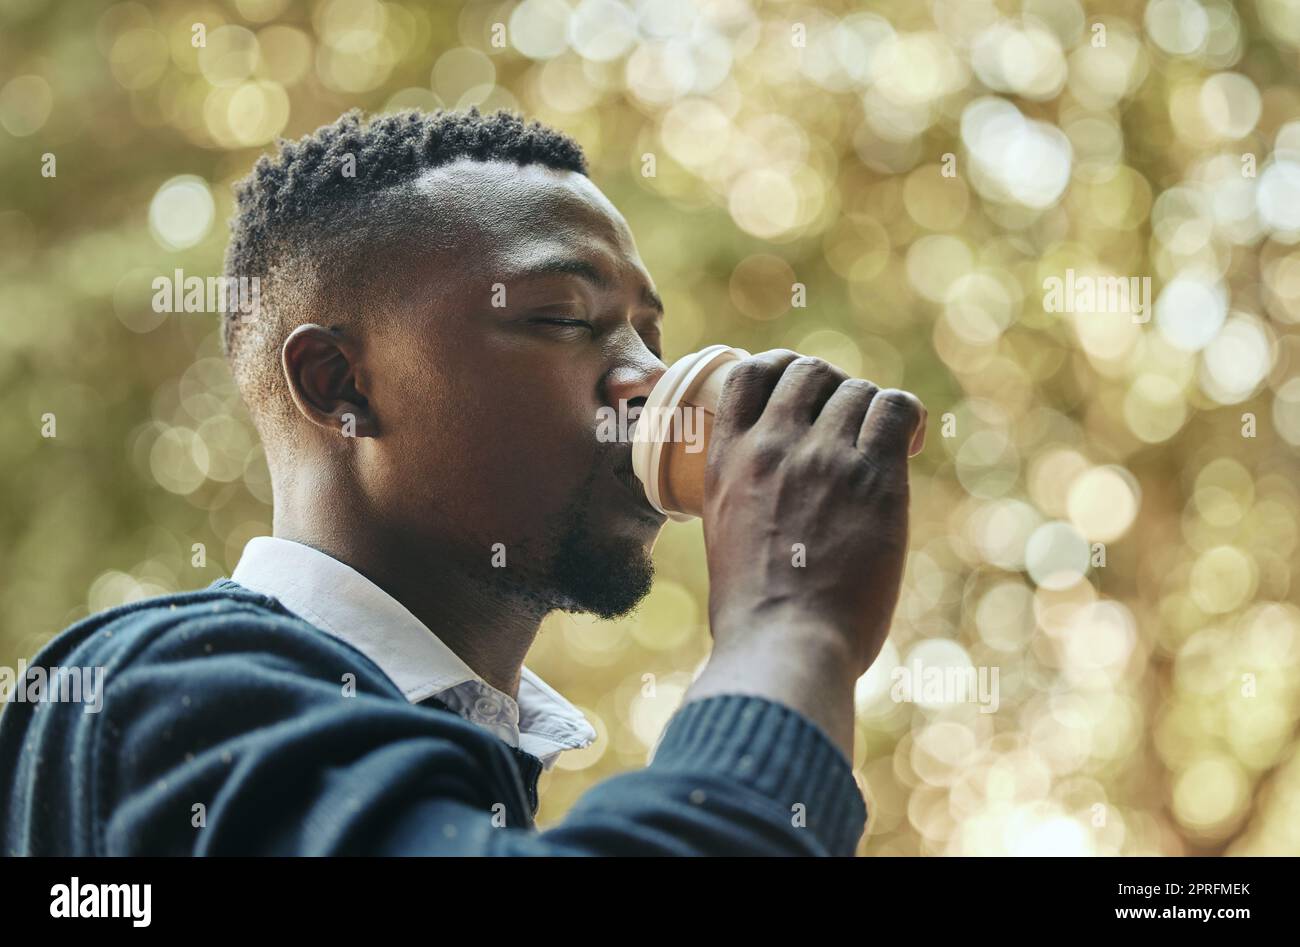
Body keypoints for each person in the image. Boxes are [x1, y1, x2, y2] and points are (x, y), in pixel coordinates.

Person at [0, 108, 925, 856]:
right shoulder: (164, 682)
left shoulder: (467, 769)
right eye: (564, 317)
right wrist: (789, 625)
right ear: (339, 386)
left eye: (649, 333)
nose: (645, 376)